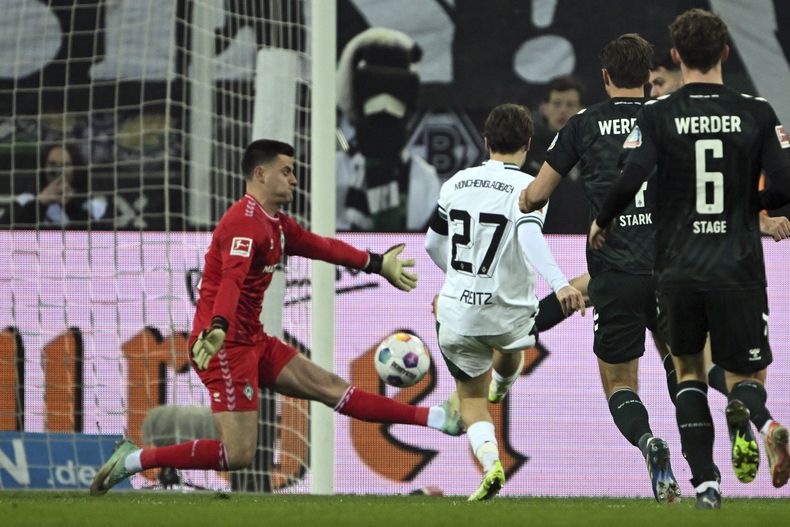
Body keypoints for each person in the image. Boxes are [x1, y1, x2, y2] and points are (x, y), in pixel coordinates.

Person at [90, 139, 463, 496]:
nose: (294, 179)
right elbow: (231, 280)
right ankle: (135, 459)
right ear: (260, 174)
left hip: (253, 339)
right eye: (286, 171)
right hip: (223, 346)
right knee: (237, 454)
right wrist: (218, 327)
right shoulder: (243, 222)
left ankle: (437, 418)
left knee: (331, 387)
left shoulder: (277, 224)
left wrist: (377, 262)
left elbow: (324, 246)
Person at [589, 9, 790, 509]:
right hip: (739, 264)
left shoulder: (657, 114)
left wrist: (604, 219)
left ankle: (706, 486)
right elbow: (784, 186)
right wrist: (750, 209)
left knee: (688, 373)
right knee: (747, 379)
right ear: (725, 53)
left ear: (676, 56)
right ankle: (748, 412)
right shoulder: (759, 112)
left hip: (678, 266)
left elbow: (630, 177)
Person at [520, 34, 682, 504]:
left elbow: (539, 193)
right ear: (648, 75)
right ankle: (705, 464)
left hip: (614, 272)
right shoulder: (668, 119)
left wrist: (523, 198)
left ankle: (649, 443)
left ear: (606, 77)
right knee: (684, 367)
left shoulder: (583, 123)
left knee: (619, 382)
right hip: (674, 268)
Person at [425, 103, 585, 501]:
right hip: (508, 315)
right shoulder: (530, 187)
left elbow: (432, 243)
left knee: (471, 401)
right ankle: (504, 383)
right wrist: (560, 283)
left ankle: (491, 463)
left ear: (485, 141)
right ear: (529, 144)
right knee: (515, 342)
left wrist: (458, 279)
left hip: (457, 314)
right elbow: (530, 237)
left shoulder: (455, 183)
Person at [335, 28, 441, 232]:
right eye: (375, 121)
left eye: (391, 122)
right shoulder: (333, 172)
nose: (383, 130)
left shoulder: (424, 177)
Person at [524, 75, 590, 234]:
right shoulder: (528, 150)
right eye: (557, 103)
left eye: (570, 104)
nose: (563, 110)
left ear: (582, 110)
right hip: (539, 241)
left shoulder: (594, 149)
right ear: (544, 108)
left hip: (582, 243)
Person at [13, 142, 111, 228]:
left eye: (66, 165)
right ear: (43, 168)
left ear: (75, 169)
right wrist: (40, 204)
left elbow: (100, 239)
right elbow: (7, 237)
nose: (59, 170)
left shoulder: (94, 204)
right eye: (52, 164)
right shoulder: (25, 200)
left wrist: (70, 205)